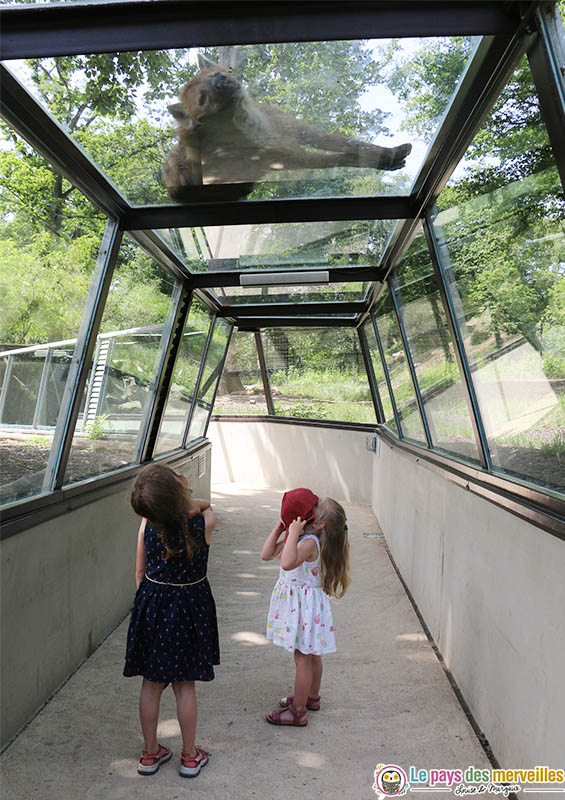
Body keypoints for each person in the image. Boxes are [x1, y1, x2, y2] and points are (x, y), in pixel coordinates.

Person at [123, 463, 219, 778]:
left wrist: (147, 607)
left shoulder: (146, 525)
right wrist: (193, 505)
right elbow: (207, 505)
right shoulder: (204, 522)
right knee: (184, 686)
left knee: (150, 686)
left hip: (153, 606)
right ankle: (189, 757)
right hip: (190, 610)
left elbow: (139, 573)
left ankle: (150, 754)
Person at [261, 489, 351, 726]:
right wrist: (280, 529)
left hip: (303, 609)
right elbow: (266, 554)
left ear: (319, 524)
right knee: (312, 654)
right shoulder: (303, 538)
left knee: (302, 658)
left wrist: (292, 534)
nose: (309, 510)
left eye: (315, 508)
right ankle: (312, 697)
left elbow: (288, 562)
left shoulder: (308, 542)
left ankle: (298, 710)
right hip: (308, 608)